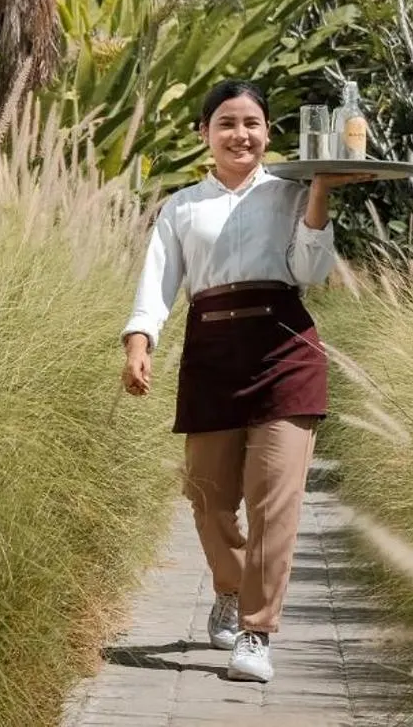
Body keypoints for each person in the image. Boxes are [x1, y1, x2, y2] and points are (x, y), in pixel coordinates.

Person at [119, 78, 369, 685]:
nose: (241, 134)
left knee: (274, 499)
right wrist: (138, 342)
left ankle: (256, 632)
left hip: (285, 350)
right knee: (207, 499)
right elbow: (157, 285)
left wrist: (319, 198)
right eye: (227, 123)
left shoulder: (290, 193)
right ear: (204, 134)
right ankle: (228, 589)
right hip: (212, 356)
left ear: (268, 133)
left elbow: (308, 270)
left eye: (252, 123)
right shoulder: (182, 207)